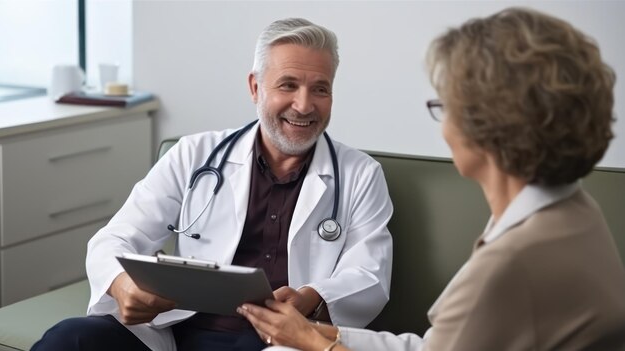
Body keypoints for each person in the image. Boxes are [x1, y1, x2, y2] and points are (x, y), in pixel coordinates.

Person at [237, 7, 625, 351]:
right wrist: (321, 335)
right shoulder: (573, 212)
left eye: (446, 105)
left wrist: (309, 341)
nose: (444, 128)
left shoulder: (509, 268)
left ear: (491, 125)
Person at [32, 18, 393, 351]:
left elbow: (369, 273)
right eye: (288, 85)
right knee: (69, 338)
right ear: (255, 87)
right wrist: (121, 283)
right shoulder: (194, 154)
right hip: (174, 330)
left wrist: (311, 296)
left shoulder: (360, 174)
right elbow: (114, 239)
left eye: (320, 89)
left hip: (274, 341)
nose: (304, 105)